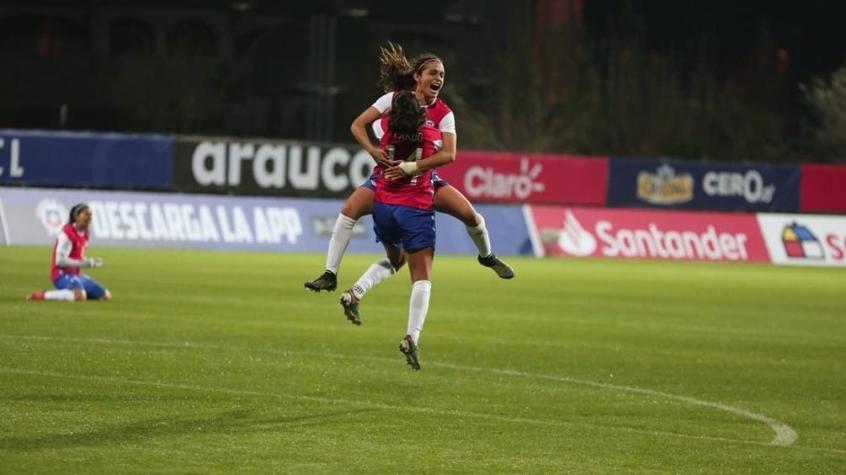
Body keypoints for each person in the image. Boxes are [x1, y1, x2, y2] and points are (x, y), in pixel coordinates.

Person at [304, 43, 514, 294]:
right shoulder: (393, 100)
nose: (438, 78)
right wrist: (373, 150)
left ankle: (487, 255)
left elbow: (450, 154)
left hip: (424, 182)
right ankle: (330, 274)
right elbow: (358, 125)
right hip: (387, 180)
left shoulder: (444, 113)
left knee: (471, 216)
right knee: (348, 211)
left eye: (442, 75)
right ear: (417, 76)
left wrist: (412, 167)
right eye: (433, 73)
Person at [367, 89, 448, 369]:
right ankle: (412, 336)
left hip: (383, 205)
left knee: (394, 259)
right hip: (415, 205)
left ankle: (343, 279)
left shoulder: (385, 128)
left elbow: (372, 123)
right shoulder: (430, 136)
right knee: (422, 276)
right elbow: (448, 153)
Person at [26, 203, 111, 302]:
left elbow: (78, 256)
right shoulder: (67, 234)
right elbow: (60, 261)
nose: (89, 217)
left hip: (76, 275)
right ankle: (40, 296)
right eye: (86, 214)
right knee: (80, 296)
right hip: (61, 275)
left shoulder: (85, 233)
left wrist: (90, 261)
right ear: (76, 216)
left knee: (105, 296)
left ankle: (73, 294)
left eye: (91, 215)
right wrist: (85, 263)